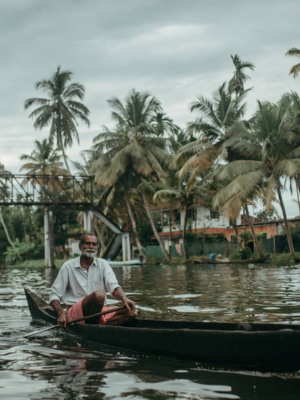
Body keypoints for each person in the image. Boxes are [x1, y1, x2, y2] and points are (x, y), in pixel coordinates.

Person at [49, 232, 137, 328]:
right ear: (80, 246)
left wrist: (124, 298)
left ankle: (97, 327)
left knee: (132, 312)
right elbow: (54, 294)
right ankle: (98, 326)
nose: (91, 247)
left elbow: (113, 286)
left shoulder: (103, 264)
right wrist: (61, 313)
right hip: (76, 312)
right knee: (99, 295)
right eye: (87, 243)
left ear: (97, 248)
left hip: (98, 312)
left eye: (94, 244)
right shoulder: (68, 266)